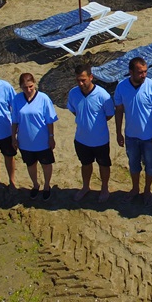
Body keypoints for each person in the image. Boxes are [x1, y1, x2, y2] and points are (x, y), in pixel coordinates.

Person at [113, 57, 152, 206]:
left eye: (145, 71)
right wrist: (118, 132)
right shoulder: (121, 87)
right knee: (133, 164)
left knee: (150, 166)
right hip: (131, 136)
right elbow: (119, 110)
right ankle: (135, 188)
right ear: (131, 72)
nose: (144, 75)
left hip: (149, 137)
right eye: (140, 72)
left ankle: (147, 190)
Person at [66, 64, 115, 202]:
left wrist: (96, 124)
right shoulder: (73, 93)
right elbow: (73, 109)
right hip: (81, 139)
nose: (81, 83)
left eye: (83, 80)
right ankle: (85, 187)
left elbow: (109, 114)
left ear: (91, 77)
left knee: (104, 165)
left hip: (100, 140)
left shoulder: (103, 95)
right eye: (78, 80)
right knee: (85, 164)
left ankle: (104, 188)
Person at [11, 73, 58, 200]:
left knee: (46, 164)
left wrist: (51, 136)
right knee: (31, 165)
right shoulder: (17, 99)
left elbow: (49, 120)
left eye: (30, 86)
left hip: (42, 140)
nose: (28, 90)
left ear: (34, 83)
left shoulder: (43, 98)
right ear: (20, 86)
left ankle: (47, 186)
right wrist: (13, 137)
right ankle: (35, 185)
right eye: (25, 87)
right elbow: (15, 120)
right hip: (25, 141)